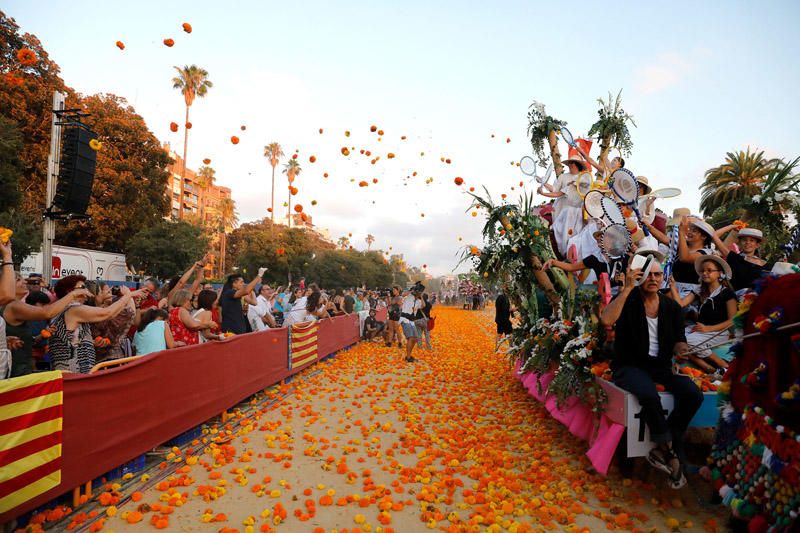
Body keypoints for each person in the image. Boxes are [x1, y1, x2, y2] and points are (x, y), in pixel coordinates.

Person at [600, 260, 702, 489]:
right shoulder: (629, 300)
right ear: (639, 277)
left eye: (658, 274)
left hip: (661, 367)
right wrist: (626, 289)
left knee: (693, 394)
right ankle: (669, 451)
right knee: (648, 394)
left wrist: (683, 350)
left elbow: (679, 341)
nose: (654, 279)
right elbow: (606, 320)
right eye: (648, 275)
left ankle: (667, 442)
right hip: (629, 366)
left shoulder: (672, 307)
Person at [2, 272, 92, 377]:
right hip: (13, 373)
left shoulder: (16, 305)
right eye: (18, 280)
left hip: (20, 369)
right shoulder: (13, 306)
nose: (24, 282)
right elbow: (47, 312)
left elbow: (53, 304)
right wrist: (72, 294)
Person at [49, 276, 143, 374]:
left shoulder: (64, 310)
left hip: (75, 374)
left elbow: (71, 341)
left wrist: (91, 343)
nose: (86, 290)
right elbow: (107, 313)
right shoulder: (73, 310)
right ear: (70, 291)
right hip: (72, 374)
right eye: (82, 287)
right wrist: (127, 296)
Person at [669, 256, 736, 373]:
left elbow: (732, 320)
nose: (705, 273)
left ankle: (723, 364)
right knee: (676, 338)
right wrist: (673, 288)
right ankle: (708, 368)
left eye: (709, 270)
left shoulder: (727, 293)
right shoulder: (700, 290)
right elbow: (680, 304)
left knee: (688, 341)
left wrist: (708, 328)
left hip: (719, 331)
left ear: (719, 274)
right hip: (701, 331)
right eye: (703, 271)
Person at [539, 157, 587, 256]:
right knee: (561, 231)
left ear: (577, 165)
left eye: (572, 163)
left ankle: (571, 252)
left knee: (575, 232)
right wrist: (542, 183)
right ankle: (563, 252)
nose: (570, 165)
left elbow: (588, 190)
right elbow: (556, 191)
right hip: (562, 207)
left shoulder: (583, 178)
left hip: (577, 209)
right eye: (569, 163)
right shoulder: (563, 177)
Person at [711, 226, 768, 293]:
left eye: (751, 240)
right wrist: (732, 226)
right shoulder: (734, 258)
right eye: (744, 240)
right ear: (739, 243)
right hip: (735, 299)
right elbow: (714, 235)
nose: (747, 242)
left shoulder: (765, 264)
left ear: (757, 245)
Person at [673, 216, 714, 298]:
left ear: (704, 236)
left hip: (689, 293)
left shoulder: (705, 253)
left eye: (694, 231)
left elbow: (684, 258)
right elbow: (666, 240)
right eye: (689, 229)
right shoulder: (684, 247)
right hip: (674, 288)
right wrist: (649, 227)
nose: (689, 232)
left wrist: (682, 233)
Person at [220, 269, 265, 334]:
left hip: (238, 329)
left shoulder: (237, 294)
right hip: (231, 331)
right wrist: (259, 275)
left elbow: (254, 302)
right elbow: (246, 290)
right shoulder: (229, 292)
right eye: (241, 282)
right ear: (234, 283)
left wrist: (251, 290)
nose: (243, 284)